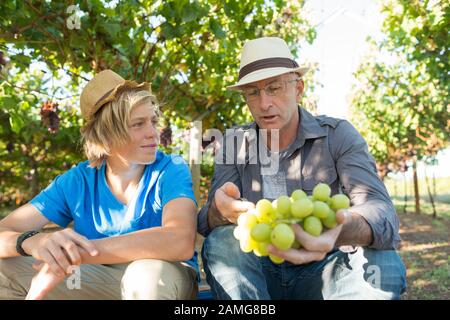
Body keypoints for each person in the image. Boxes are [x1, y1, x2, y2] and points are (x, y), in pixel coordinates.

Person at [197, 37, 407, 300]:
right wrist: (218, 211)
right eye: (253, 92)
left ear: (298, 88)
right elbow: (207, 223)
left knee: (382, 264)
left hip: (327, 270)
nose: (264, 103)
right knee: (222, 242)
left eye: (274, 88)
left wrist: (336, 229)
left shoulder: (337, 135)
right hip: (260, 277)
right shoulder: (234, 144)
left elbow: (381, 211)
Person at [0, 70, 198, 300]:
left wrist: (76, 254)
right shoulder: (77, 180)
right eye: (138, 124)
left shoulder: (170, 168)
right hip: (100, 277)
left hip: (163, 275)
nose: (153, 133)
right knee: (4, 272)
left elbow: (180, 240)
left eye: (153, 122)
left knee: (144, 277)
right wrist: (34, 242)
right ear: (105, 136)